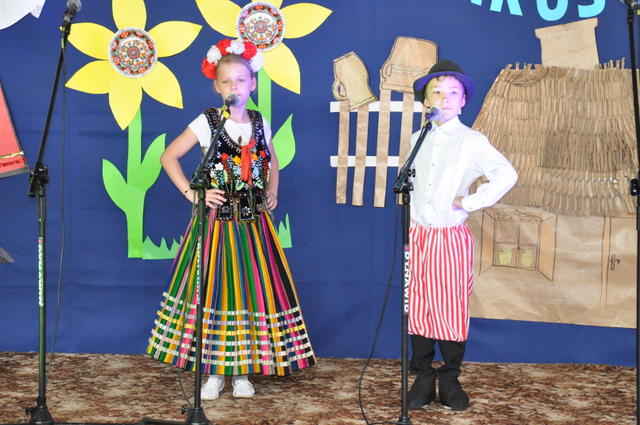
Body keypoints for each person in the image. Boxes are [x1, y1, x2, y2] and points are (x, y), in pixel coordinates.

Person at [146, 38, 316, 400]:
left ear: (252, 83)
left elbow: (272, 161)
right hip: (217, 225)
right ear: (216, 87)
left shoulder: (259, 122)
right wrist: (193, 193)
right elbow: (168, 157)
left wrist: (272, 190)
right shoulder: (207, 121)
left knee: (252, 293)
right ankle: (213, 372)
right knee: (216, 292)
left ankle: (242, 372)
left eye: (240, 80)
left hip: (254, 225)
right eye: (226, 82)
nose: (233, 87)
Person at [406, 60, 517, 411]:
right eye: (437, 91)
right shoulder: (417, 140)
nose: (445, 98)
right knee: (419, 306)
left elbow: (506, 174)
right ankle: (423, 377)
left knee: (451, 307)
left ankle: (450, 377)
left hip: (449, 236)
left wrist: (469, 201)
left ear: (464, 100)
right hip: (419, 235)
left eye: (453, 92)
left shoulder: (471, 141)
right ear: (426, 100)